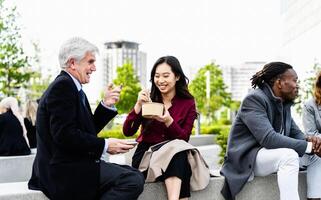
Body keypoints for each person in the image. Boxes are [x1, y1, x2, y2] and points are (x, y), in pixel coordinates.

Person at [28, 37, 144, 200]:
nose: (94, 68)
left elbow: (85, 130)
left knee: (133, 173)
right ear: (72, 63)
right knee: (132, 180)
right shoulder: (63, 87)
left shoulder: (72, 87)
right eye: (90, 62)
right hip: (64, 173)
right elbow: (65, 135)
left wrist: (106, 105)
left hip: (71, 166)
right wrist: (105, 145)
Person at [220, 62, 321, 200]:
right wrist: (310, 146)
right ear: (279, 83)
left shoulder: (283, 104)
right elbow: (269, 138)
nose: (297, 85)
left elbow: (296, 133)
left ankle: (315, 198)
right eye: (294, 80)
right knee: (289, 156)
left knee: (316, 156)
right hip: (247, 158)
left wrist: (313, 142)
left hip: (270, 156)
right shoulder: (255, 99)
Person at [123, 56, 200, 200]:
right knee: (179, 157)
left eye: (166, 76)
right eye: (157, 76)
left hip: (174, 155)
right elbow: (128, 131)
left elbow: (184, 138)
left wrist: (169, 121)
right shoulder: (149, 99)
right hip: (147, 156)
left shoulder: (188, 103)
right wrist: (138, 106)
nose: (160, 80)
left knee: (177, 151)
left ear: (177, 76)